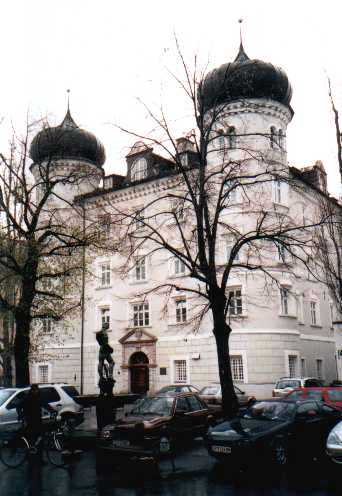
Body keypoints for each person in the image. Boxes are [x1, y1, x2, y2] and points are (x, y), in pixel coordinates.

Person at [17, 384, 56, 451]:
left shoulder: (39, 397)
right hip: (29, 419)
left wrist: (53, 411)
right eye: (34, 390)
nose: (35, 391)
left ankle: (37, 453)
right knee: (33, 436)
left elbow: (45, 405)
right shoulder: (27, 398)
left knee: (40, 436)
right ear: (31, 390)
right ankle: (31, 452)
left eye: (36, 390)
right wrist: (21, 415)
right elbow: (18, 406)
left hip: (38, 418)